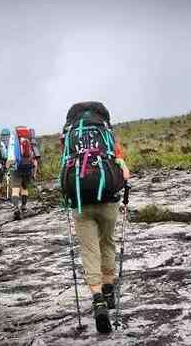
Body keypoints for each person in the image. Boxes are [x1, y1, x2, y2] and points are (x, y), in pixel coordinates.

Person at [60, 102, 130, 334]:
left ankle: (98, 298)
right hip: (108, 200)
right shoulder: (107, 136)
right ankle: (109, 289)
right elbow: (124, 171)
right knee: (107, 243)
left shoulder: (69, 137)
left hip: (80, 202)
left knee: (90, 250)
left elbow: (63, 170)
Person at [6, 126, 37, 220]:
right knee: (24, 188)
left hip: (16, 167)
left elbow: (10, 158)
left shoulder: (13, 141)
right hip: (27, 167)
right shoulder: (30, 140)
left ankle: (16, 208)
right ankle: (23, 207)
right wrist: (34, 173)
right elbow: (35, 160)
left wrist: (8, 168)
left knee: (15, 190)